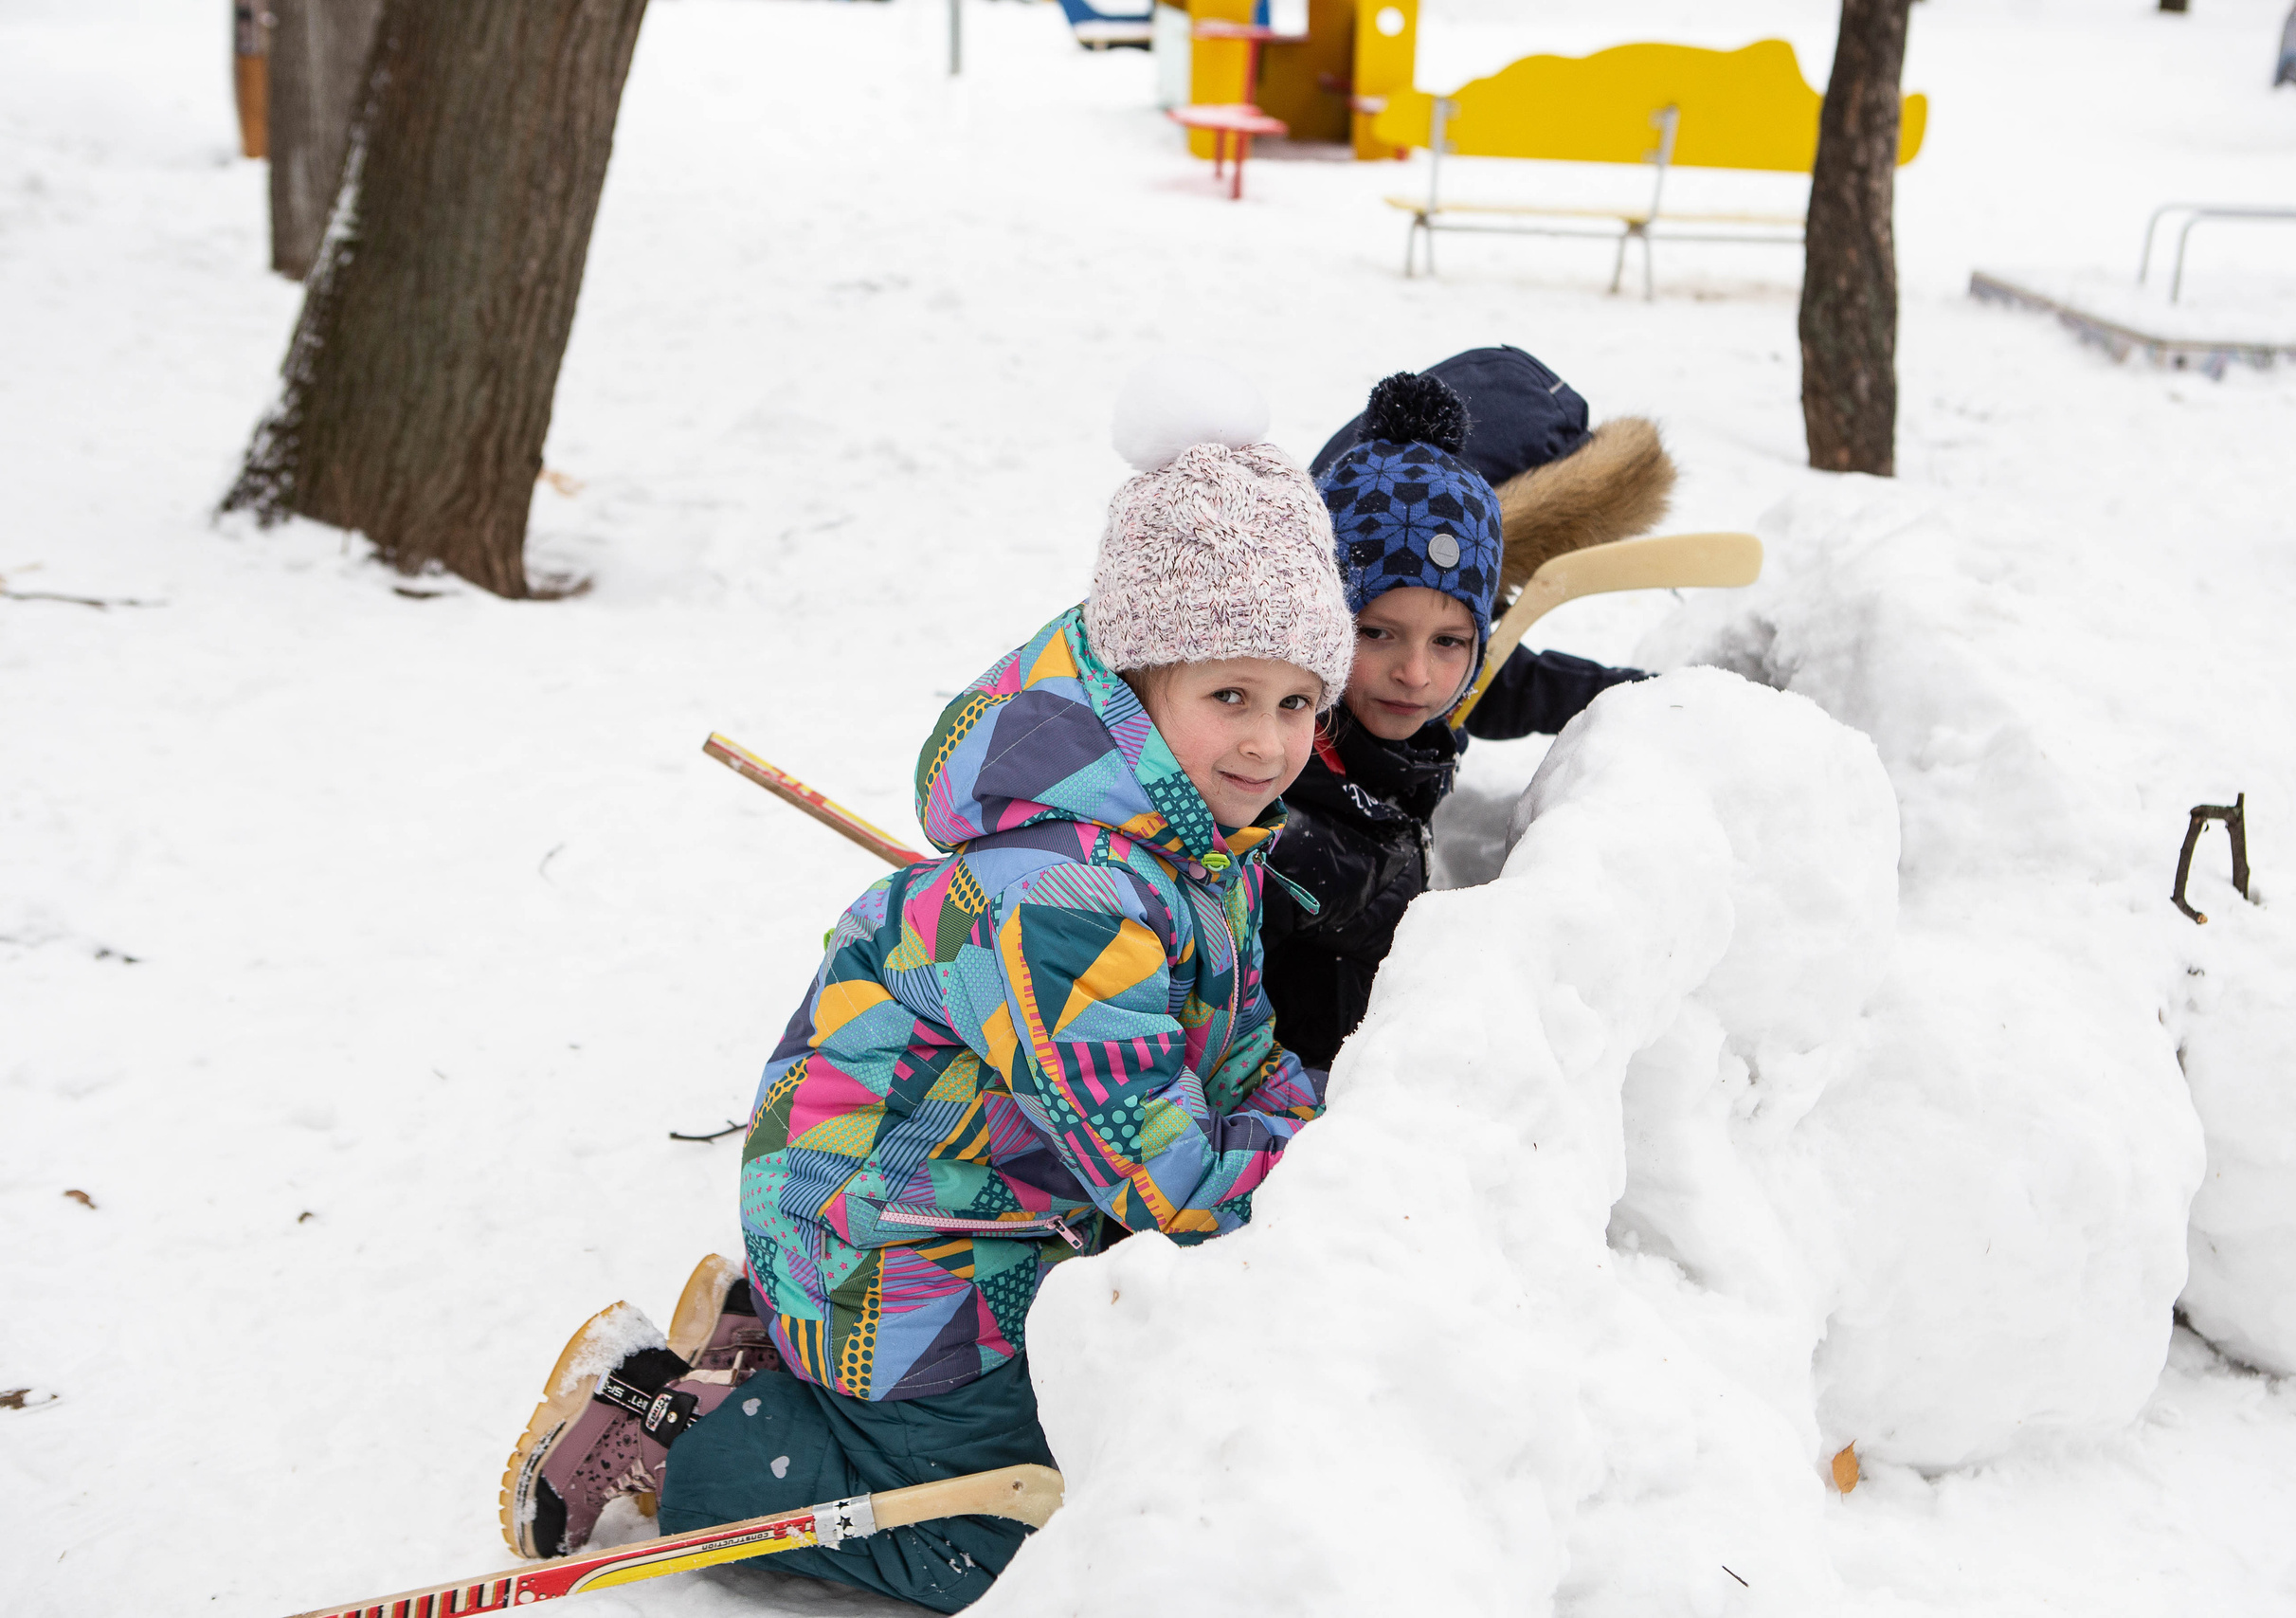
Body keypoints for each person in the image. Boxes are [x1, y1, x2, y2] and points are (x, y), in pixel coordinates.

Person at [494, 360, 1352, 1612]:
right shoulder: (1071, 898)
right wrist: (1330, 1170)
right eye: (1229, 695)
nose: (1268, 744)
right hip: (902, 1256)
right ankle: (687, 1435)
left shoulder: (1185, 840)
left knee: (1131, 1419)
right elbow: (1170, 1183)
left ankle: (772, 1343)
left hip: (956, 1210)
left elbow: (1238, 1059)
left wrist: (1323, 1120)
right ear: (1137, 680)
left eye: (1292, 702)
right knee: (1019, 1534)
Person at [1263, 348, 1677, 1067]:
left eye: (1451, 640)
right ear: (1320, 621)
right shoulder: (1267, 792)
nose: (1416, 674)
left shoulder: (1388, 702)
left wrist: (1656, 692)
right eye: (1376, 631)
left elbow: (1512, 684)